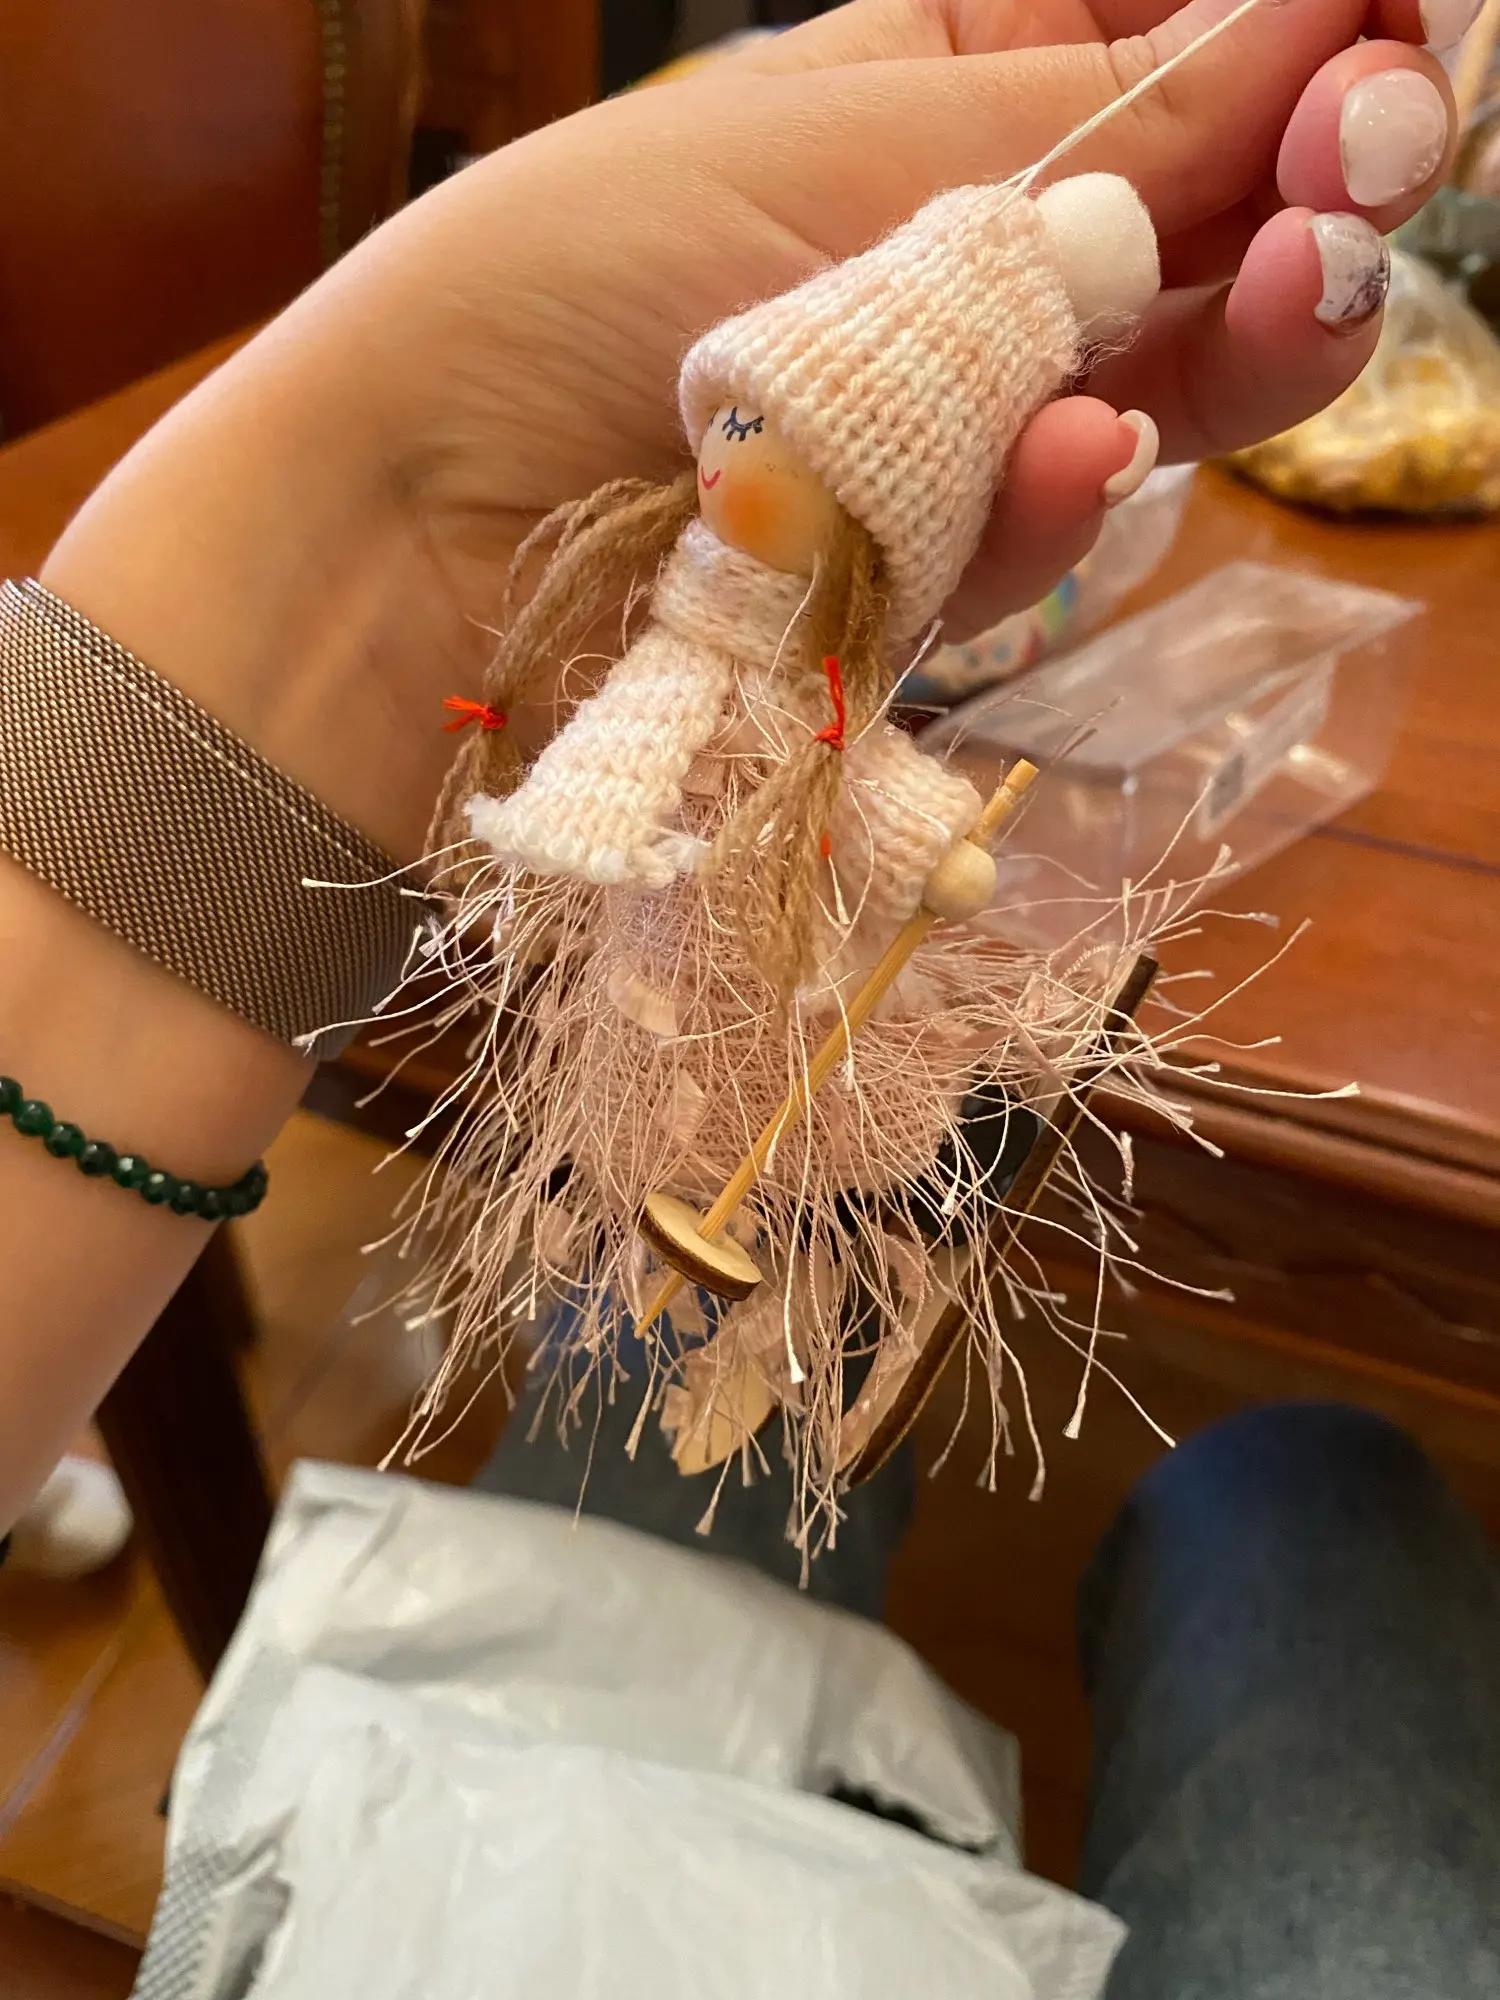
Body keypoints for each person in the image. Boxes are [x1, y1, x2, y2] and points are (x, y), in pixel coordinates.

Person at [1, 2, 1495, 1993]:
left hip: (722, 839)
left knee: (724, 1314)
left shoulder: (792, 647)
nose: (756, 477)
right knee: (1317, 1502)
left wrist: (367, 546)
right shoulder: (704, 579)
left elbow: (831, 781)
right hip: (674, 834)